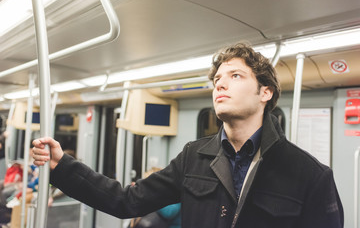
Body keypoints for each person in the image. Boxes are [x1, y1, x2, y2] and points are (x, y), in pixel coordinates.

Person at [32, 42, 344, 228]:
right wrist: (64, 166)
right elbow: (126, 201)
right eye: (218, 79)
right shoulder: (194, 157)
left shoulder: (309, 175)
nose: (220, 84)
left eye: (235, 76)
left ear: (266, 92)